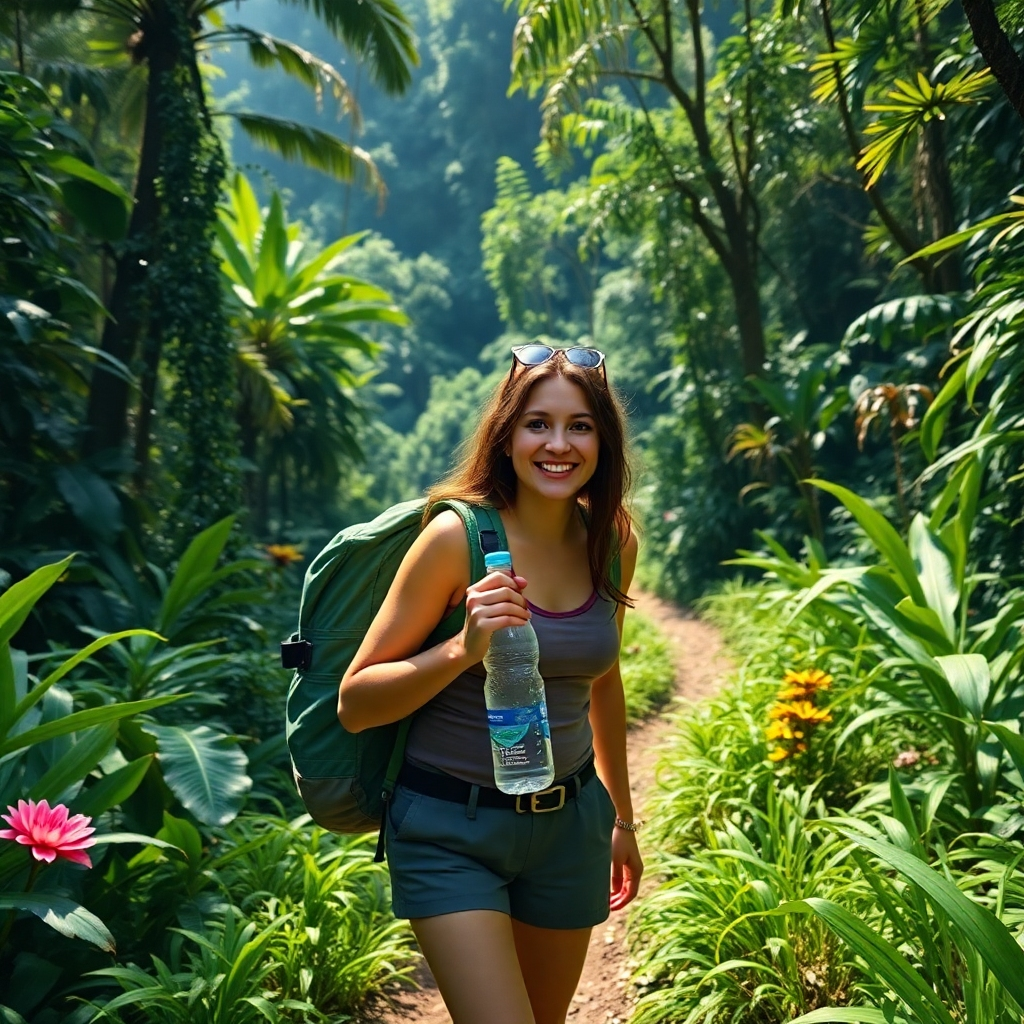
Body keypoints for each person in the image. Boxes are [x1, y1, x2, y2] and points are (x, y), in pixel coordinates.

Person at [338, 344, 643, 1024]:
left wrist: (621, 819)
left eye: (580, 426)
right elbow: (356, 703)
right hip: (450, 829)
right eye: (538, 424)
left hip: (569, 827)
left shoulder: (612, 540)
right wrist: (462, 648)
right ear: (506, 437)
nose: (558, 444)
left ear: (603, 442)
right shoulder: (455, 539)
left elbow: (603, 682)